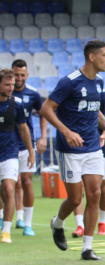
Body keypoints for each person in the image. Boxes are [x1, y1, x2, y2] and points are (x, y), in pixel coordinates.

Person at [40, 39, 105, 260]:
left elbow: (96, 112)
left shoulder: (98, 82)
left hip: (92, 147)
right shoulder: (69, 82)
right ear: (92, 57)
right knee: (75, 199)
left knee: (95, 194)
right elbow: (46, 108)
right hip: (70, 149)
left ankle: (87, 248)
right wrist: (66, 131)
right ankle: (57, 223)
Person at [8, 60, 47, 236]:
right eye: (16, 74)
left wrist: (44, 137)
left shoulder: (33, 94)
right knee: (9, 183)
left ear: (27, 75)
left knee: (26, 181)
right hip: (6, 145)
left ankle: (27, 223)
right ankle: (12, 216)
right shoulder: (4, 94)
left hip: (26, 144)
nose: (19, 78)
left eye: (22, 75)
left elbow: (43, 114)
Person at [70, 88, 105, 238]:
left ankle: (102, 222)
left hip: (99, 146)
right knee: (79, 186)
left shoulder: (101, 93)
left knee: (102, 186)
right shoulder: (75, 91)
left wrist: (104, 134)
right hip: (79, 145)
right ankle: (80, 225)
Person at [0, 68, 35, 243]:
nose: (10, 88)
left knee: (9, 189)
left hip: (9, 155)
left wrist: (31, 152)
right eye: (7, 84)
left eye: (12, 84)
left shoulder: (17, 104)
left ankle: (6, 231)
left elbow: (23, 128)